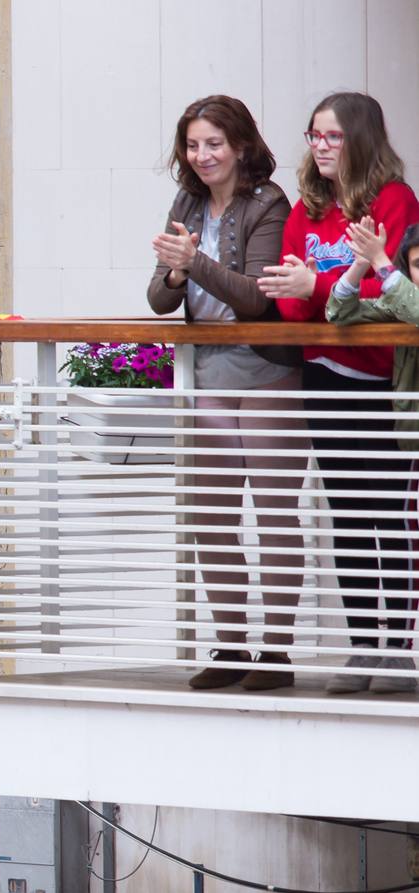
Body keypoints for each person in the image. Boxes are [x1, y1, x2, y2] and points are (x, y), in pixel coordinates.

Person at [146, 95, 307, 691]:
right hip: (208, 372)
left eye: (213, 143)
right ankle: (232, 645)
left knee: (273, 512)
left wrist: (195, 261)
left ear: (240, 145)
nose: (202, 155)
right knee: (211, 517)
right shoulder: (186, 200)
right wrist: (175, 272)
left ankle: (277, 652)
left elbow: (256, 298)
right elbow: (160, 300)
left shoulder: (268, 202)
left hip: (265, 370)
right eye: (193, 144)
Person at [261, 91, 419, 694]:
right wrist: (311, 289)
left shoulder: (393, 201)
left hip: (380, 377)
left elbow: (393, 293)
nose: (320, 147)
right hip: (324, 375)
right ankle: (363, 648)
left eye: (331, 137)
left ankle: (397, 651)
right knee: (346, 516)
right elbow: (294, 305)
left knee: (384, 513)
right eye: (313, 136)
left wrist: (318, 284)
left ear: (359, 139)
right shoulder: (308, 206)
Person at [325, 218, 419, 693]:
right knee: (370, 521)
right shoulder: (401, 296)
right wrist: (361, 264)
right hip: (410, 440)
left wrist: (384, 264)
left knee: (402, 534)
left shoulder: (408, 297)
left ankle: (400, 651)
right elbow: (339, 314)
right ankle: (375, 648)